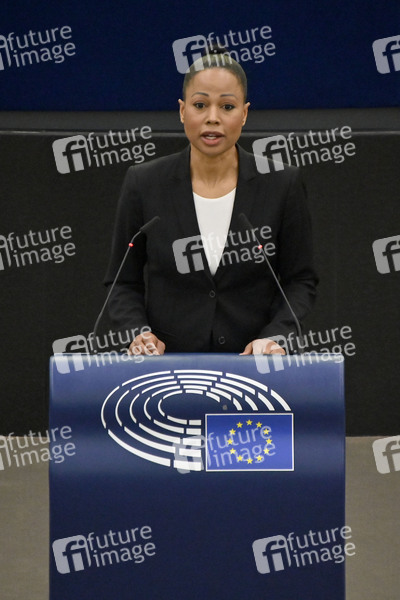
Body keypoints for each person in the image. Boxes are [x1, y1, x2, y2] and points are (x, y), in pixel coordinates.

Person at [104, 48, 318, 357]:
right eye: (200, 105)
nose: (213, 118)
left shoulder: (282, 183)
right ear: (182, 111)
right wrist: (139, 333)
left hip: (252, 364)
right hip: (168, 366)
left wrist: (276, 337)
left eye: (227, 106)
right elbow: (122, 281)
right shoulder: (144, 183)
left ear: (244, 113)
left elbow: (300, 280)